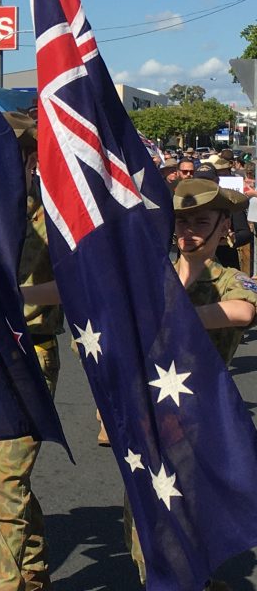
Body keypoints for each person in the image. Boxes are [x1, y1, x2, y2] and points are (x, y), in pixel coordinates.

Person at [124, 177, 257, 587]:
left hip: (199, 424)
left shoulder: (227, 279)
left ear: (224, 228)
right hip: (148, 421)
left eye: (201, 221)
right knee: (142, 528)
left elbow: (243, 312)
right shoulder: (151, 275)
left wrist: (174, 317)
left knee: (177, 527)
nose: (188, 231)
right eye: (181, 222)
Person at [0, 112, 62, 591]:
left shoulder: (53, 218)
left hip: (31, 354)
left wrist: (17, 295)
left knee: (7, 481)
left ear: (30, 160)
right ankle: (32, 568)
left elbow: (78, 285)